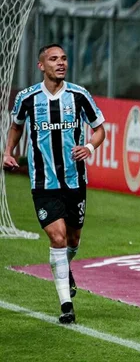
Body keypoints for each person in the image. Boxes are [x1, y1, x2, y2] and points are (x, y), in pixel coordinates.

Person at [3, 43, 106, 324]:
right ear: (41, 66)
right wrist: (7, 151)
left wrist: (89, 147)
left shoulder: (79, 95)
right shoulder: (27, 98)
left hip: (75, 181)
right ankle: (66, 305)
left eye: (63, 58)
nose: (60, 63)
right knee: (57, 237)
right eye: (53, 59)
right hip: (43, 182)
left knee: (72, 239)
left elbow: (99, 130)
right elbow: (16, 126)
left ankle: (65, 268)